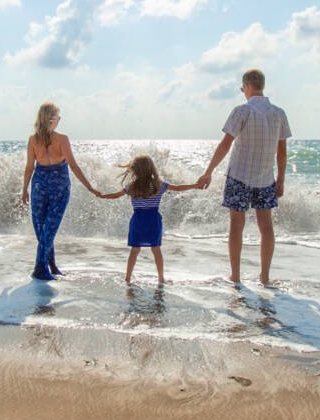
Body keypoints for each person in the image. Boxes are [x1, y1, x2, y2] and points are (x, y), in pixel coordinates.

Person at [196, 69, 291, 285]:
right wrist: (281, 179)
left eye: (242, 89)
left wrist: (208, 171)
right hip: (266, 178)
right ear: (262, 86)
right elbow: (282, 152)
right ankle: (265, 277)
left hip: (239, 176)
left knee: (236, 225)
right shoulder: (279, 113)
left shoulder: (242, 111)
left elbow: (225, 144)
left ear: (247, 86)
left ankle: (236, 276)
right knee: (266, 227)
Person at [22, 102, 99, 280]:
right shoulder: (62, 139)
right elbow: (73, 165)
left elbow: (29, 168)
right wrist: (89, 187)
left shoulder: (33, 139)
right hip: (58, 185)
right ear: (52, 119)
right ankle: (40, 268)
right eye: (58, 117)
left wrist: (25, 189)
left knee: (44, 228)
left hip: (39, 184)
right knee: (48, 228)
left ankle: (51, 265)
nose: (60, 120)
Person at [98, 154, 198, 284]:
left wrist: (101, 195)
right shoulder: (159, 185)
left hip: (138, 220)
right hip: (153, 220)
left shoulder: (132, 186)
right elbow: (178, 188)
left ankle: (128, 278)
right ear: (152, 169)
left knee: (135, 250)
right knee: (156, 249)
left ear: (134, 170)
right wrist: (195, 185)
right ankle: (161, 278)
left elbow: (116, 195)